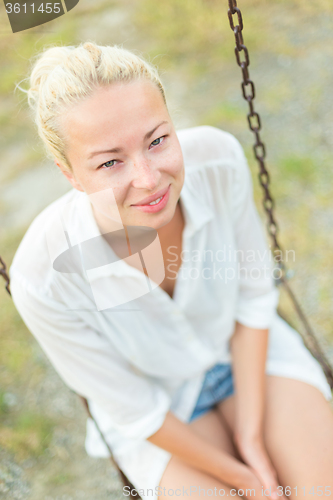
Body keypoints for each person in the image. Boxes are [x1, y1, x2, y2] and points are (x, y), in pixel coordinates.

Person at [10, 42, 333, 500]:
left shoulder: (218, 161)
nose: (148, 178)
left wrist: (251, 437)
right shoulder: (43, 278)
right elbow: (136, 412)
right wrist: (244, 479)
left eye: (157, 140)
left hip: (245, 352)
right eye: (110, 162)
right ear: (70, 175)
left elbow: (255, 297)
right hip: (159, 409)